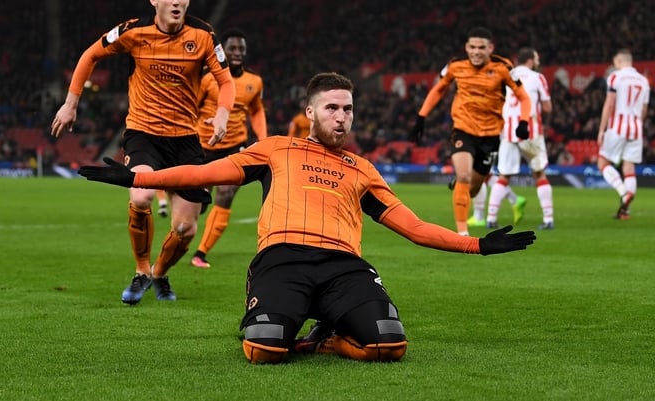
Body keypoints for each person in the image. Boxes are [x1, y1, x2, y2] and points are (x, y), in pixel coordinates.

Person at [77, 72, 536, 364]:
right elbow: (203, 171)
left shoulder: (363, 169)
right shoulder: (275, 149)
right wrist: (142, 177)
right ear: (311, 112)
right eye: (332, 108)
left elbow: (413, 227)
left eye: (348, 109)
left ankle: (329, 338)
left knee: (389, 344)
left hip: (343, 266)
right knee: (262, 349)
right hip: (283, 260)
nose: (342, 117)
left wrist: (477, 245)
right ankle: (295, 320)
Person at [50, 0, 234, 304]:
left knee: (185, 230)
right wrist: (70, 103)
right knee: (140, 198)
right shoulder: (133, 32)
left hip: (185, 141)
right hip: (143, 134)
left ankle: (160, 273)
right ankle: (140, 270)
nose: (176, 1)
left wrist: (222, 114)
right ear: (154, 0)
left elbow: (225, 82)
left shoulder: (204, 35)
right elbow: (90, 54)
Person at [410, 27, 532, 236]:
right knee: (464, 176)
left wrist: (523, 122)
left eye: (481, 48)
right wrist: (422, 116)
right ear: (466, 47)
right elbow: (439, 88)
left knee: (473, 189)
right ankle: (462, 233)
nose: (476, 52)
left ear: (490, 48)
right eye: (472, 47)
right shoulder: (455, 65)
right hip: (463, 129)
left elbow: (524, 97)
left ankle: (460, 183)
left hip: (491, 135)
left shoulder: (503, 67)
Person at [191, 28, 267, 268]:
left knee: (225, 194)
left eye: (241, 49)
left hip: (235, 146)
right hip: (203, 146)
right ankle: (199, 204)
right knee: (199, 201)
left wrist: (262, 138)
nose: (237, 53)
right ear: (222, 51)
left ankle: (200, 253)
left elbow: (256, 110)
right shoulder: (207, 77)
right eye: (232, 48)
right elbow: (192, 106)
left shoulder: (254, 81)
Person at [486, 47, 554, 230]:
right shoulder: (537, 77)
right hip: (530, 130)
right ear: (531, 60)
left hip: (508, 130)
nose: (538, 62)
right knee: (539, 174)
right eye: (537, 58)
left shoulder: (506, 75)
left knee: (504, 176)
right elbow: (547, 107)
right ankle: (548, 219)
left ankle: (491, 218)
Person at [597, 49, 650, 220]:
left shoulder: (615, 77)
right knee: (629, 167)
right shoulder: (644, 81)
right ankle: (625, 211)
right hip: (636, 127)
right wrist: (637, 125)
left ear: (619, 62)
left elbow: (609, 104)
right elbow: (644, 109)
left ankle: (624, 193)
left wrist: (601, 129)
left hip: (617, 126)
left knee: (602, 162)